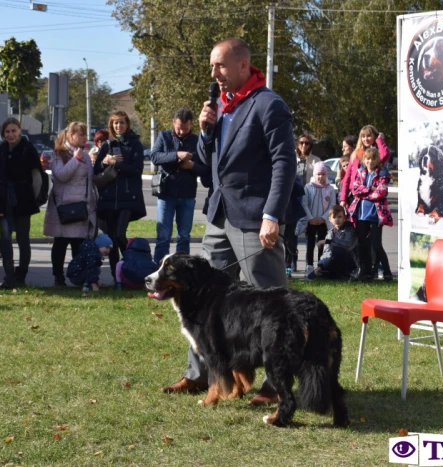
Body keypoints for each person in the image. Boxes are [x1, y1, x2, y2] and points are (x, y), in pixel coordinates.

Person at [161, 38, 296, 405]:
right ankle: (201, 374)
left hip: (254, 220)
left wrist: (272, 215)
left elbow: (285, 163)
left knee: (270, 306)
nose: (214, 74)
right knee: (200, 297)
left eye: (220, 66)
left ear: (242, 65)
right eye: (211, 67)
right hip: (219, 215)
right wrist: (206, 131)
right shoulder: (222, 106)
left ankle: (274, 384)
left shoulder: (269, 105)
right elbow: (207, 163)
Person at [93, 110, 146, 288]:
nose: (119, 126)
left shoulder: (135, 144)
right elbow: (96, 171)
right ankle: (117, 279)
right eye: (115, 123)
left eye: (122, 123)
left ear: (127, 124)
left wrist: (118, 164)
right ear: (111, 126)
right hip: (108, 200)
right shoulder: (107, 145)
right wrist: (105, 161)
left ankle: (132, 267)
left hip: (127, 199)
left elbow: (137, 170)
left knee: (119, 235)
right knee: (111, 240)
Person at [0, 117, 42, 288]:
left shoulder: (28, 148)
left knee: (22, 238)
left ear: (19, 130)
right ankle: (9, 275)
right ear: (3, 133)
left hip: (23, 197)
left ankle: (22, 274)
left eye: (13, 131)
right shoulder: (1, 149)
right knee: (5, 237)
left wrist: (33, 197)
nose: (10, 134)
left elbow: (37, 176)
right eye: (7, 132)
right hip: (4, 198)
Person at [150, 108, 209, 263]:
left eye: (186, 128)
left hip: (187, 195)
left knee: (184, 235)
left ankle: (182, 269)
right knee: (163, 235)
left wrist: (192, 166)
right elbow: (155, 156)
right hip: (166, 194)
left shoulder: (197, 141)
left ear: (191, 125)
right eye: (178, 128)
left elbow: (205, 167)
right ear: (173, 124)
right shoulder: (163, 136)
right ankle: (158, 269)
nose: (182, 132)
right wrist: (176, 155)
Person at [43, 122, 97, 287]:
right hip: (64, 207)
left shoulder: (85, 154)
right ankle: (58, 276)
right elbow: (60, 176)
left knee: (78, 243)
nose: (84, 138)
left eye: (85, 135)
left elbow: (89, 179)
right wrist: (76, 160)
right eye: (80, 135)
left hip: (82, 206)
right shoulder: (59, 154)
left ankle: (77, 277)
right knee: (61, 242)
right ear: (70, 136)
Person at [348, 147, 393, 281]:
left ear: (377, 160)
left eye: (373, 158)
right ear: (364, 160)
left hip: (376, 215)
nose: (370, 161)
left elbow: (381, 192)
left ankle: (386, 270)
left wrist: (365, 194)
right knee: (363, 244)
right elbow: (355, 190)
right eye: (367, 158)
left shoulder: (382, 174)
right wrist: (369, 190)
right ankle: (366, 271)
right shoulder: (360, 172)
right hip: (362, 214)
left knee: (376, 244)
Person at [285, 133, 321, 274]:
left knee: (309, 232)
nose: (304, 145)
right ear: (297, 144)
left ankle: (309, 264)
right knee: (291, 233)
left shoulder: (316, 160)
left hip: (309, 198)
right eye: (301, 143)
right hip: (293, 199)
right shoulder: (291, 158)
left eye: (307, 143)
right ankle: (291, 261)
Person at [297, 161, 336, 278]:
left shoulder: (330, 189)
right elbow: (305, 204)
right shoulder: (308, 187)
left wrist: (323, 218)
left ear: (326, 175)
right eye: (318, 174)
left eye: (323, 174)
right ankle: (309, 267)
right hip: (311, 221)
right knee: (310, 245)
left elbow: (332, 205)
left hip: (323, 222)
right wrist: (310, 218)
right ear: (314, 174)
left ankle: (321, 266)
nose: (320, 177)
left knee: (322, 244)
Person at [307, 205, 357, 280]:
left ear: (344, 218)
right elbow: (326, 251)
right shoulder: (330, 233)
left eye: (339, 217)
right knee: (314, 273)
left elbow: (347, 245)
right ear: (330, 219)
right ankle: (323, 271)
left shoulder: (349, 229)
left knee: (337, 251)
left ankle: (343, 275)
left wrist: (328, 241)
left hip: (347, 259)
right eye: (334, 217)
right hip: (333, 259)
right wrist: (321, 264)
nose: (337, 219)